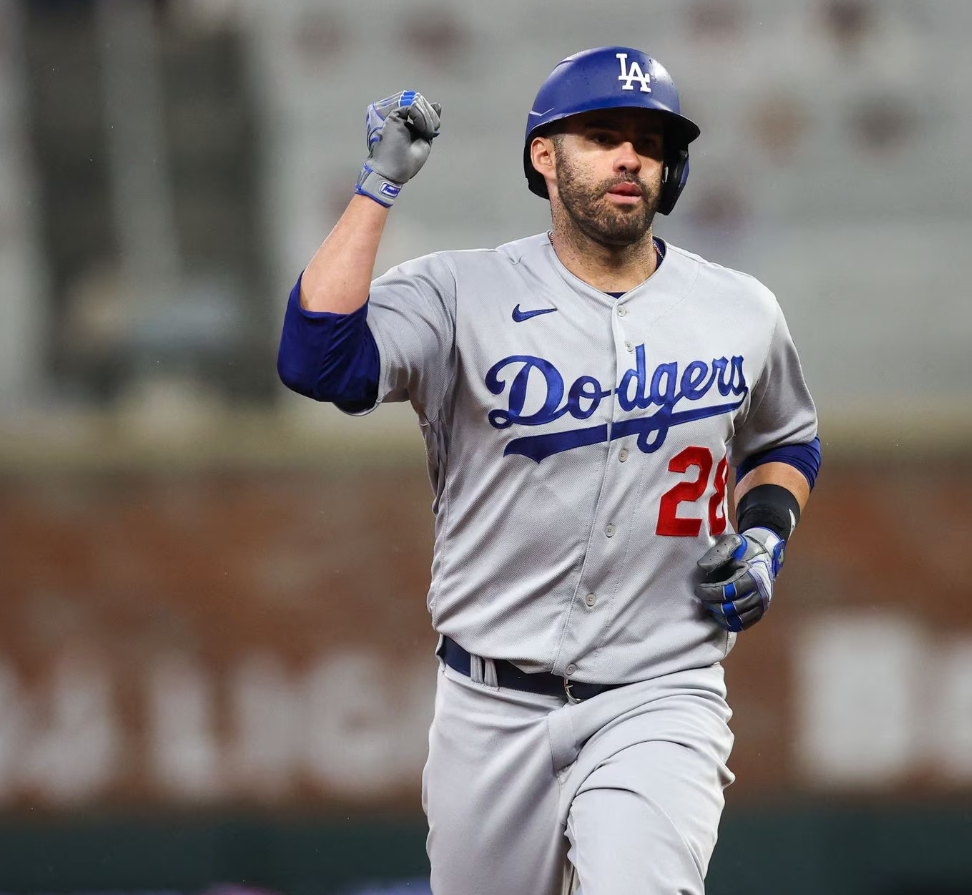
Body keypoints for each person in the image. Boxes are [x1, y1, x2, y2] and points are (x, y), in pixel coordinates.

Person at [277, 47, 819, 895]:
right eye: (602, 135)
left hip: (661, 689)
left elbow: (785, 439)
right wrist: (377, 188)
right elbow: (317, 359)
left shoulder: (739, 308)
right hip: (489, 701)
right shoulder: (462, 291)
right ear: (544, 154)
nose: (629, 157)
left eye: (648, 140)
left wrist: (763, 539)